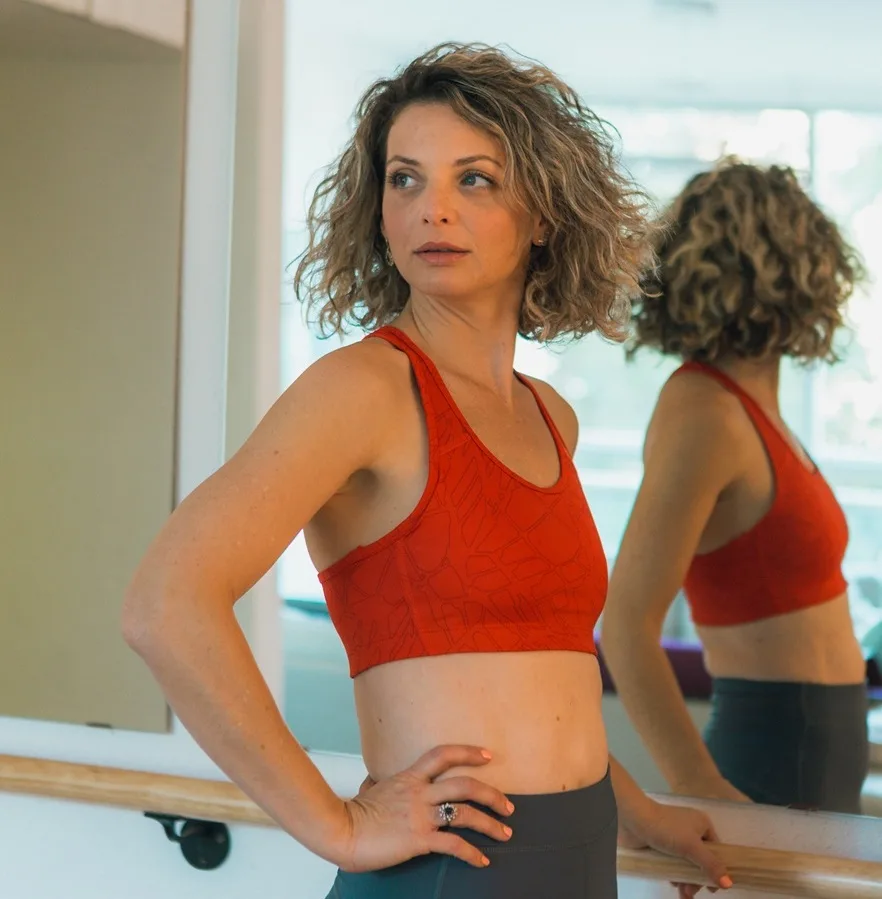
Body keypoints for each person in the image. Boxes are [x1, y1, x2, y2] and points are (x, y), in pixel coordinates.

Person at [122, 43, 731, 898]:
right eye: (404, 179)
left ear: (546, 215)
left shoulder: (550, 415)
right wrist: (335, 823)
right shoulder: (364, 387)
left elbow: (539, 674)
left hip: (581, 854)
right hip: (449, 871)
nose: (430, 209)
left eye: (472, 179)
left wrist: (637, 808)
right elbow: (164, 604)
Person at [601, 158, 870, 814]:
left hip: (814, 752)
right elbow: (626, 624)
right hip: (772, 753)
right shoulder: (705, 408)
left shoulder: (758, 406)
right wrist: (698, 787)